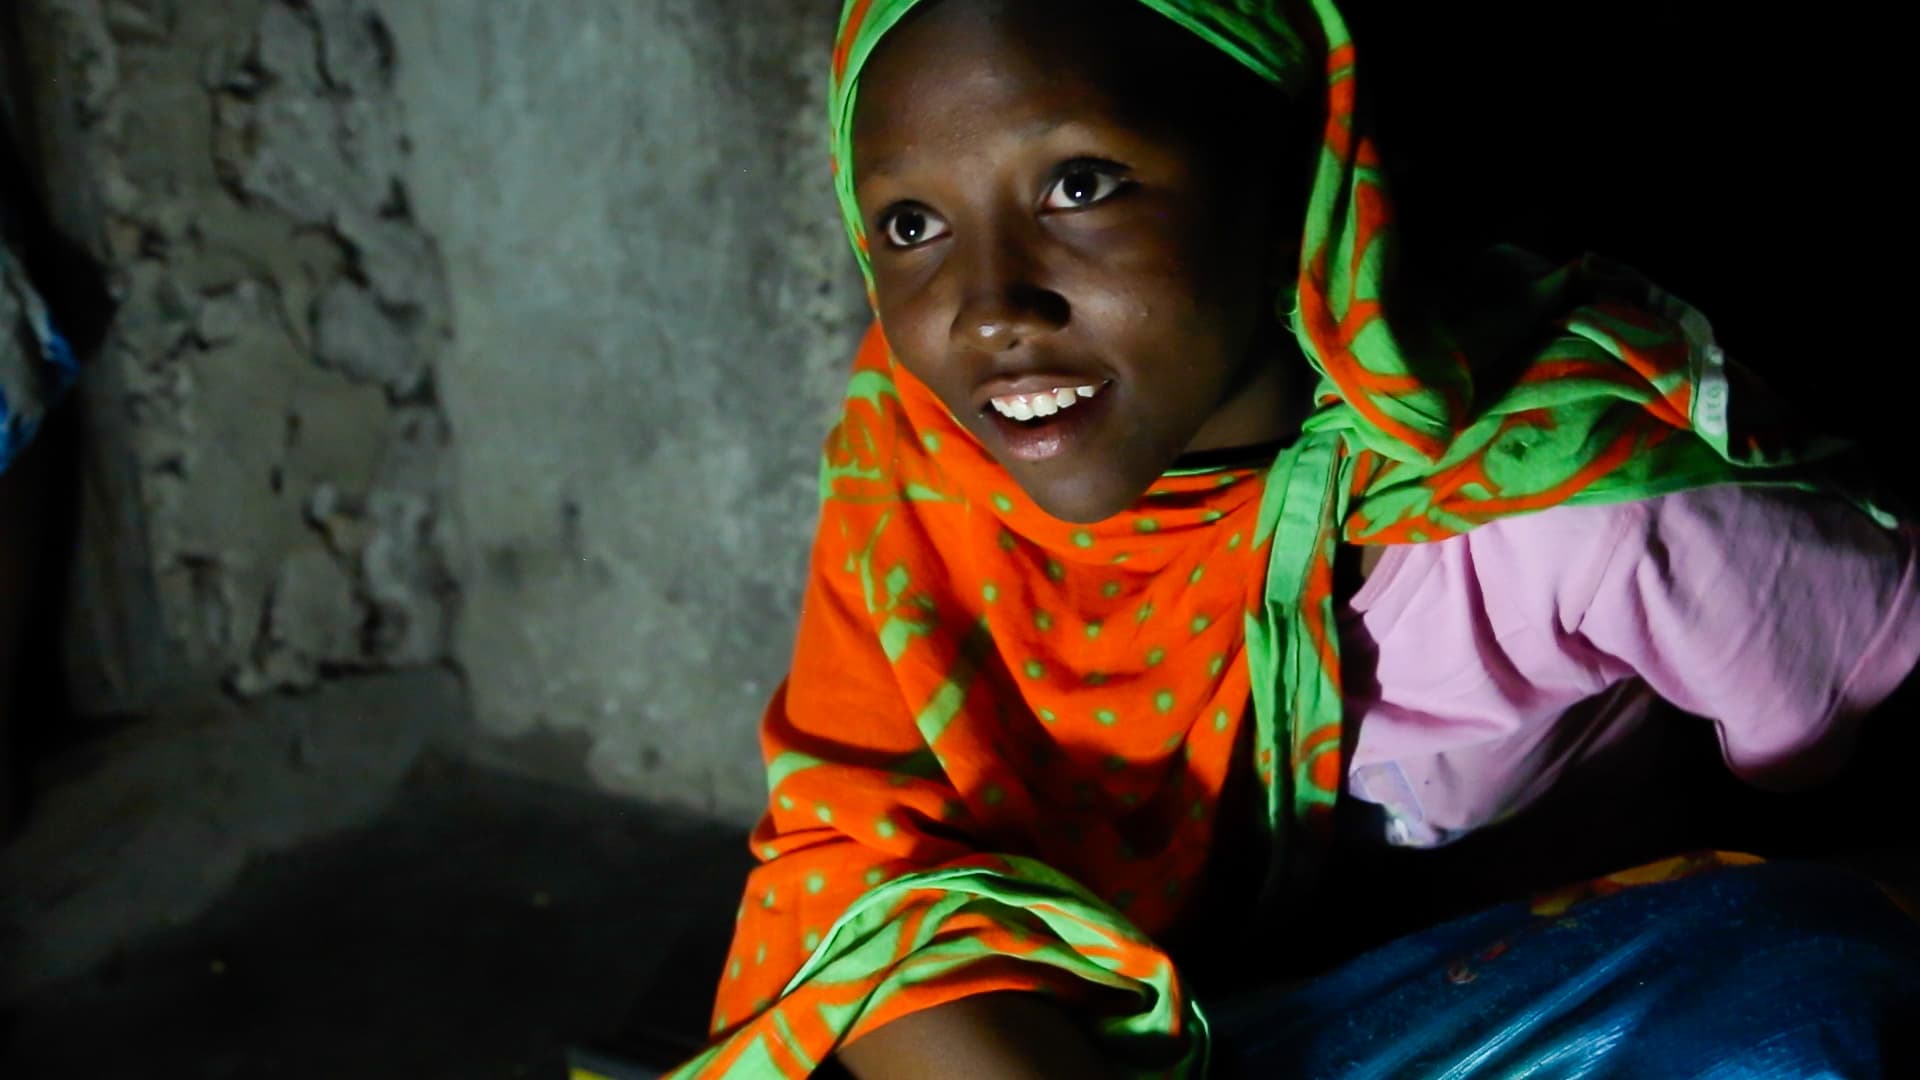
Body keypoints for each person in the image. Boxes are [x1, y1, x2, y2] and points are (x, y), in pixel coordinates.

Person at [659, 1, 1920, 1075]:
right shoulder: (924, 455)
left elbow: (1849, 852)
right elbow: (858, 878)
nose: (988, 309)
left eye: (1080, 185)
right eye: (910, 225)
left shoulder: (1585, 501)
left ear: (1290, 183)